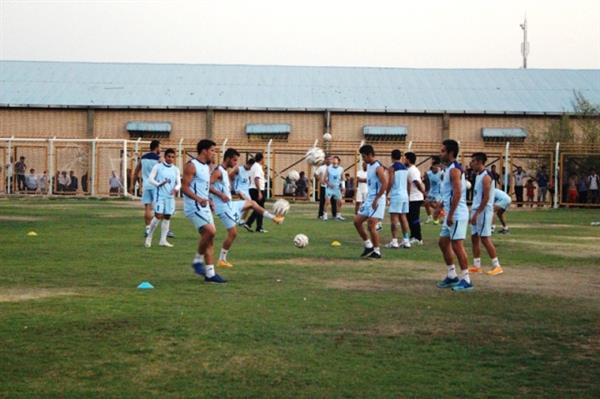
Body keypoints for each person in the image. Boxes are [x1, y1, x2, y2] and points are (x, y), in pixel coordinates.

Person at [210, 148, 284, 268]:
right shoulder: (218, 171)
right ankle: (221, 260)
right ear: (228, 158)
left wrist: (228, 191)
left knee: (252, 203)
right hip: (223, 208)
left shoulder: (224, 171)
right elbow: (208, 185)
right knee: (233, 233)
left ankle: (274, 218)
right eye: (234, 160)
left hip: (230, 204)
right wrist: (220, 195)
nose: (235, 163)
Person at [182, 139, 226, 283]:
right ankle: (197, 261)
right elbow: (185, 187)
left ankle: (210, 274)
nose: (214, 153)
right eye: (212, 150)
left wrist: (209, 200)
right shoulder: (191, 166)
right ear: (204, 150)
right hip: (193, 206)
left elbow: (204, 188)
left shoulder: (206, 168)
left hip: (204, 205)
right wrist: (198, 199)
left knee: (209, 239)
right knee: (210, 231)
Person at [436, 139, 472, 292]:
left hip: (457, 214)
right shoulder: (448, 169)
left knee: (457, 245)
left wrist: (450, 214)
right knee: (443, 243)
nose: (440, 153)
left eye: (443, 150)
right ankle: (452, 275)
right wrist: (440, 207)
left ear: (450, 153)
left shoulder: (454, 170)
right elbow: (448, 194)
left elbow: (457, 193)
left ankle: (466, 279)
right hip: (450, 213)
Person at [468, 153, 503, 276]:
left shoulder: (486, 177)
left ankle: (497, 265)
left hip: (483, 212)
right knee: (474, 238)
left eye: (473, 161)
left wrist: (477, 213)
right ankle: (477, 265)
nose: (471, 163)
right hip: (476, 210)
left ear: (479, 162)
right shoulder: (477, 175)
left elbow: (486, 197)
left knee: (485, 238)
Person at [353, 145, 387, 259]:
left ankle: (377, 251)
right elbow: (373, 180)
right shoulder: (369, 166)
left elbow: (384, 183)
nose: (363, 159)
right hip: (369, 198)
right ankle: (368, 245)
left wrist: (377, 198)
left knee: (371, 224)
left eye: (364, 157)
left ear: (369, 155)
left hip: (378, 199)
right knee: (357, 221)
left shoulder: (378, 167)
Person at [144, 148, 181, 248]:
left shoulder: (176, 169)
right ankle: (149, 237)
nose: (170, 158)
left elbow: (179, 183)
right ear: (165, 157)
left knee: (167, 216)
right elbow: (150, 179)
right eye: (169, 156)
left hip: (170, 197)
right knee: (158, 215)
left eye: (173, 157)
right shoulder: (158, 167)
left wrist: (176, 189)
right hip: (160, 195)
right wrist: (158, 184)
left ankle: (163, 240)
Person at [132, 140, 161, 237]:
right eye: (160, 147)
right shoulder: (158, 159)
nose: (160, 150)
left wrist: (132, 185)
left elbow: (136, 172)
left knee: (147, 208)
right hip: (156, 185)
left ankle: (148, 229)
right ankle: (166, 228)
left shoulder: (143, 158)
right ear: (156, 147)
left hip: (146, 185)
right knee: (161, 208)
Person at [385, 149, 411, 249]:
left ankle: (394, 241)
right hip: (404, 195)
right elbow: (408, 183)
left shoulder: (392, 168)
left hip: (396, 195)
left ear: (391, 157)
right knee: (403, 218)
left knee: (394, 219)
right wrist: (408, 195)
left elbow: (390, 182)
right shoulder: (405, 168)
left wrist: (386, 193)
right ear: (400, 157)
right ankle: (406, 240)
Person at [405, 152, 425, 245]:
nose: (403, 160)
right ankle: (413, 236)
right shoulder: (409, 169)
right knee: (409, 218)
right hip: (411, 198)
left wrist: (423, 193)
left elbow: (417, 182)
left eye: (405, 158)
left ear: (408, 159)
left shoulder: (413, 170)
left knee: (414, 218)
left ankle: (418, 238)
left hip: (415, 198)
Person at [244, 153, 268, 233]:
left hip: (253, 189)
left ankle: (258, 227)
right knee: (259, 208)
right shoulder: (257, 167)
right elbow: (256, 179)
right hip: (256, 189)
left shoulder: (254, 166)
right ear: (262, 159)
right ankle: (249, 223)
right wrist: (259, 192)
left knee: (259, 208)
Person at [231, 157, 253, 225]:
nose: (251, 168)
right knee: (248, 203)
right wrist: (232, 187)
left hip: (246, 191)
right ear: (248, 164)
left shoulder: (249, 171)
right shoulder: (238, 169)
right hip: (239, 190)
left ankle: (241, 219)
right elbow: (230, 176)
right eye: (251, 167)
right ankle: (238, 218)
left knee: (249, 205)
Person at [323, 155, 345, 221]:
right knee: (327, 202)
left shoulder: (341, 169)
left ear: (338, 161)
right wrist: (329, 184)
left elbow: (343, 179)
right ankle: (325, 215)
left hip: (337, 188)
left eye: (335, 159)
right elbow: (325, 179)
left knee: (340, 202)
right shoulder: (328, 168)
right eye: (333, 159)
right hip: (329, 188)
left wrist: (343, 187)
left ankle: (338, 215)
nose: (334, 160)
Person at [424, 157, 443, 224]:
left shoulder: (441, 173)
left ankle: (437, 219)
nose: (436, 167)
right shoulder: (428, 173)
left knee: (438, 205)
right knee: (426, 203)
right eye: (435, 166)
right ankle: (430, 217)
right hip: (431, 192)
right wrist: (426, 190)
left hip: (438, 193)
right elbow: (426, 181)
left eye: (437, 166)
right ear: (433, 166)